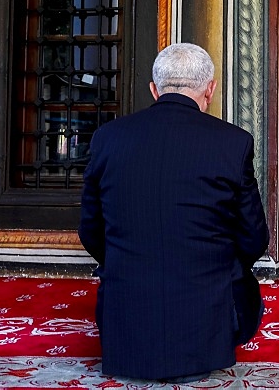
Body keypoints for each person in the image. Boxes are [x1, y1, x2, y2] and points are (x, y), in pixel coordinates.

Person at [79, 43, 269, 382]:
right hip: (205, 330)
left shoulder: (107, 138)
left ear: (154, 89)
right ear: (210, 89)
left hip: (128, 331)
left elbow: (90, 231)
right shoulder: (233, 142)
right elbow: (254, 238)